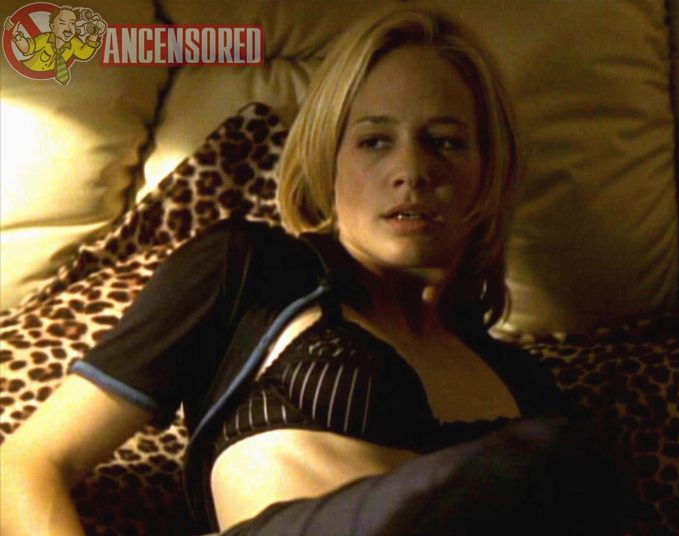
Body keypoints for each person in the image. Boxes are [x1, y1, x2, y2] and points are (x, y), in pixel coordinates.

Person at [0, 6, 633, 536]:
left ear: (488, 173)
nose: (411, 171)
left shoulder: (523, 382)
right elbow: (25, 466)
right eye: (374, 141)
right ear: (329, 162)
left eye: (444, 141)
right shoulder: (250, 269)